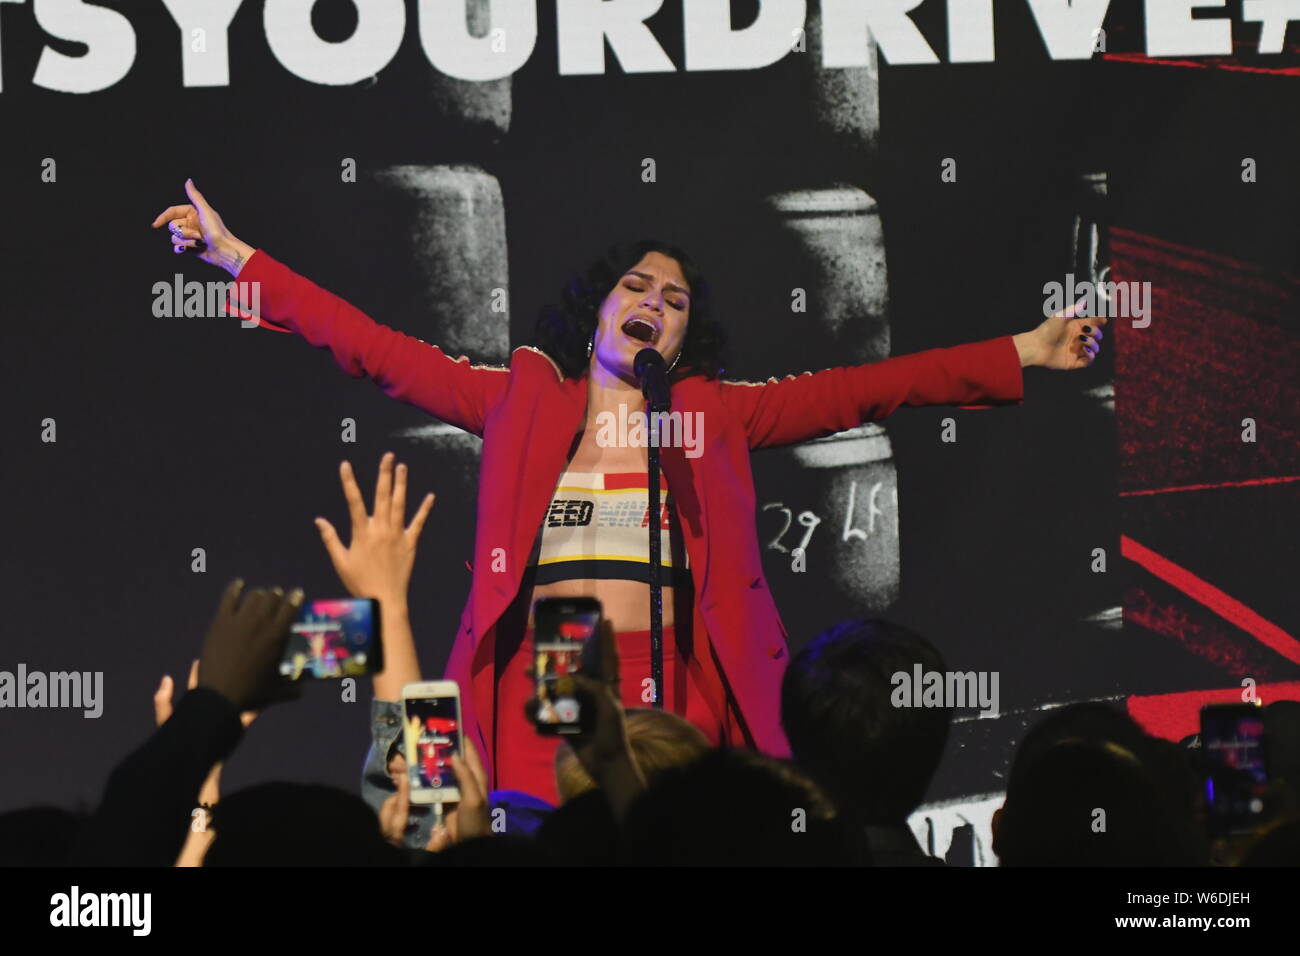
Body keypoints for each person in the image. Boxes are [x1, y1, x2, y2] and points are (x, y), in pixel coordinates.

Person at [153, 179, 1108, 803]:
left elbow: (868, 389)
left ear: (686, 337)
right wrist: (239, 260)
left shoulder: (715, 416)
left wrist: (1024, 349)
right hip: (536, 707)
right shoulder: (519, 405)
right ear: (599, 309)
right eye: (637, 288)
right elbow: (374, 349)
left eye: (676, 300)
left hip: (678, 712)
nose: (654, 303)